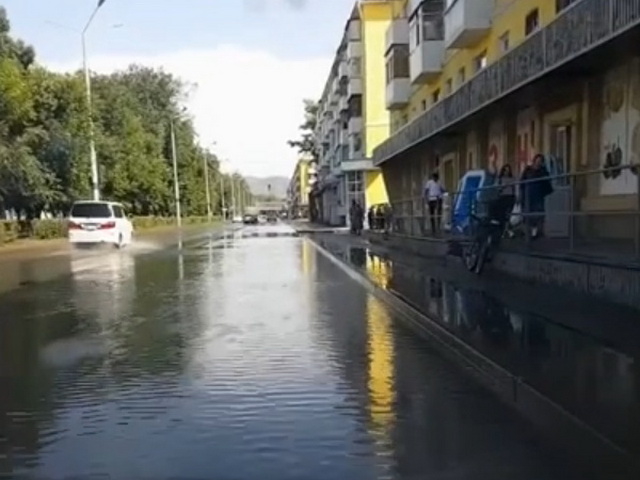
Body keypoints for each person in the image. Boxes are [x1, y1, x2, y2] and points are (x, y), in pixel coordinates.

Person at [520, 154, 553, 239]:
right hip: (528, 194)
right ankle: (528, 234)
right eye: (537, 160)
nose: (538, 162)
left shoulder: (543, 170)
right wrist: (521, 194)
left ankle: (538, 233)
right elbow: (522, 182)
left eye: (540, 161)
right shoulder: (528, 169)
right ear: (534, 160)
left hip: (538, 195)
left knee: (538, 214)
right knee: (527, 214)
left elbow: (547, 181)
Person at [496, 164, 516, 236]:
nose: (507, 172)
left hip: (510, 196)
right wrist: (502, 187)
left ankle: (507, 229)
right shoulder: (500, 179)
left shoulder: (512, 178)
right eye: (505, 170)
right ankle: (504, 230)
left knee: (508, 214)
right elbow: (497, 189)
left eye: (508, 170)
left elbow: (514, 188)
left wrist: (515, 196)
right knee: (503, 214)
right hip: (503, 197)